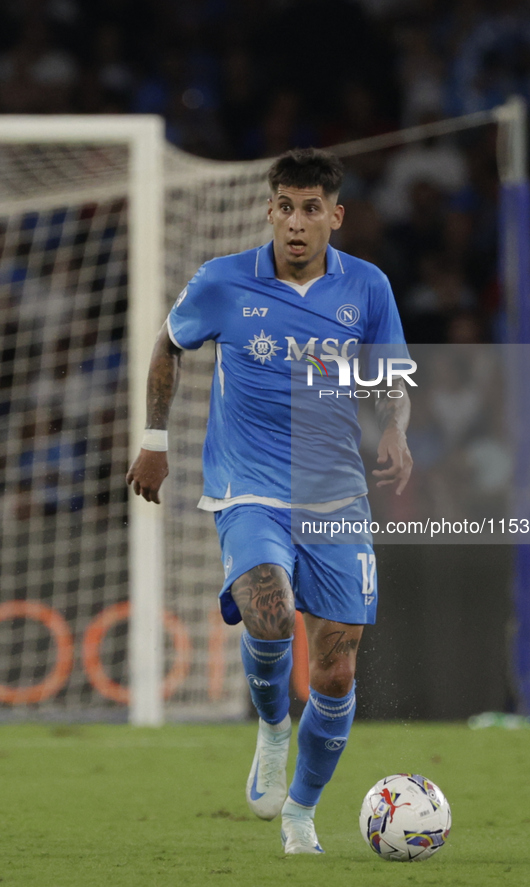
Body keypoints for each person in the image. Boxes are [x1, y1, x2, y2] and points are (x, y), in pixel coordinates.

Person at [126, 148, 412, 854]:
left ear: (334, 217)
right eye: (284, 206)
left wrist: (396, 430)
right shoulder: (223, 281)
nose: (295, 222)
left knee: (337, 669)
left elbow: (393, 374)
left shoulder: (368, 288)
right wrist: (153, 438)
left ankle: (300, 814)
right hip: (248, 488)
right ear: (268, 210)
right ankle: (272, 727)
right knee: (271, 612)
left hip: (335, 494)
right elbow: (167, 344)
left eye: (311, 208)